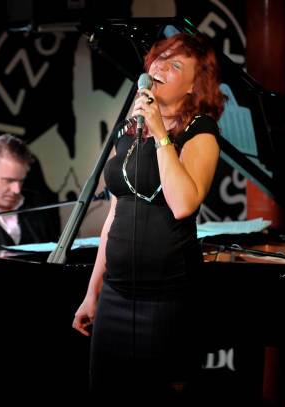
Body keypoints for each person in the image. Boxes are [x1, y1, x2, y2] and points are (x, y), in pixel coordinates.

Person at [71, 32, 225, 403]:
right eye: (160, 58)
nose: (160, 67)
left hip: (167, 301)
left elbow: (184, 203)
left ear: (193, 86)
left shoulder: (199, 133)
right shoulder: (131, 130)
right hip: (116, 296)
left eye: (175, 65)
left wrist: (160, 133)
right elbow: (115, 216)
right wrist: (92, 294)